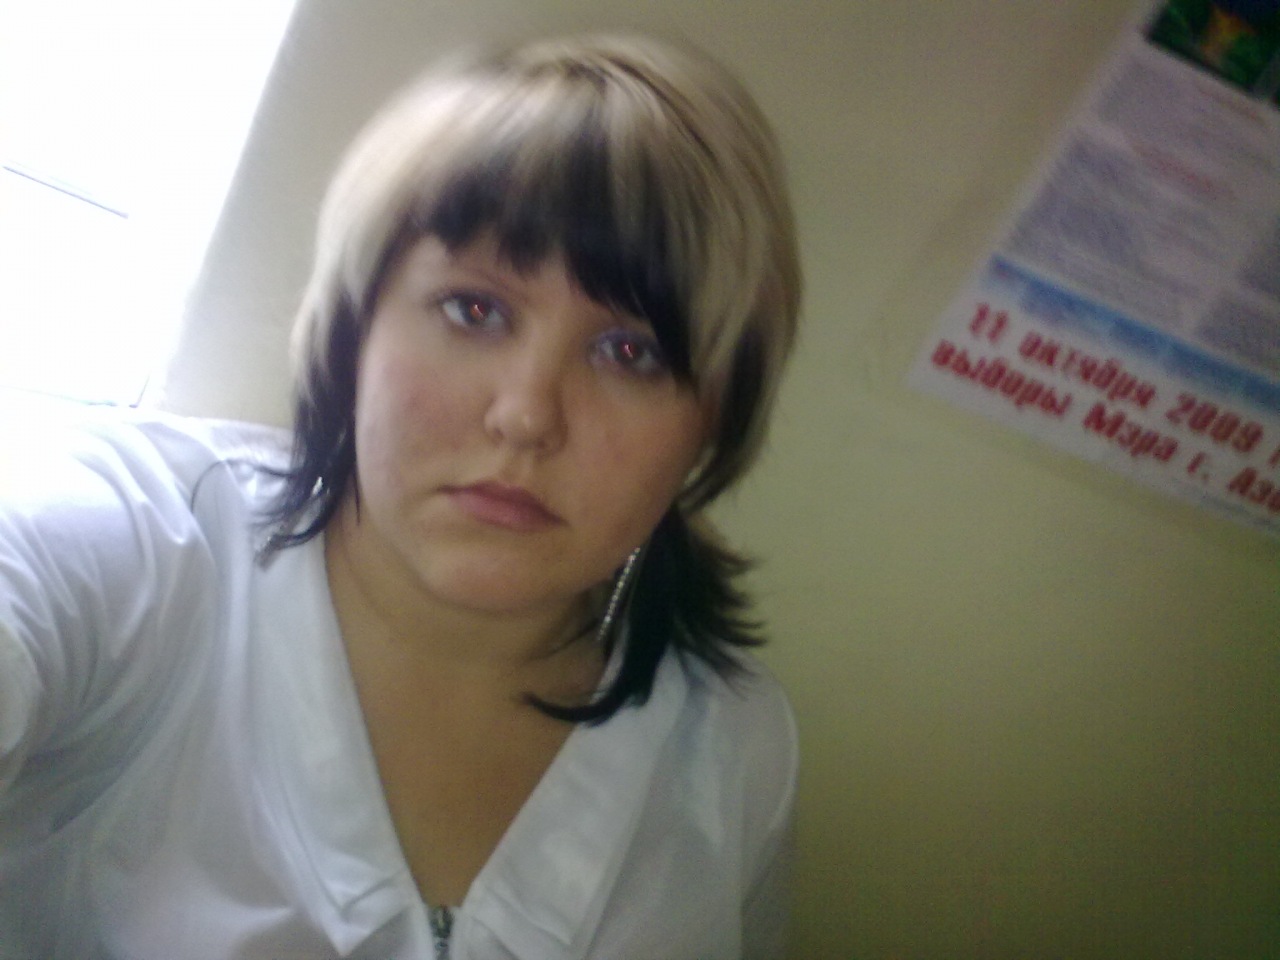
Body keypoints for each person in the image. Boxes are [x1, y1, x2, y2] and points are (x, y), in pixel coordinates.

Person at [0, 32, 802, 960]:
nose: (526, 416)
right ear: (356, 328)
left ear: (710, 424)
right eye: (474, 309)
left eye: (631, 352)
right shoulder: (133, 550)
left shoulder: (737, 751)